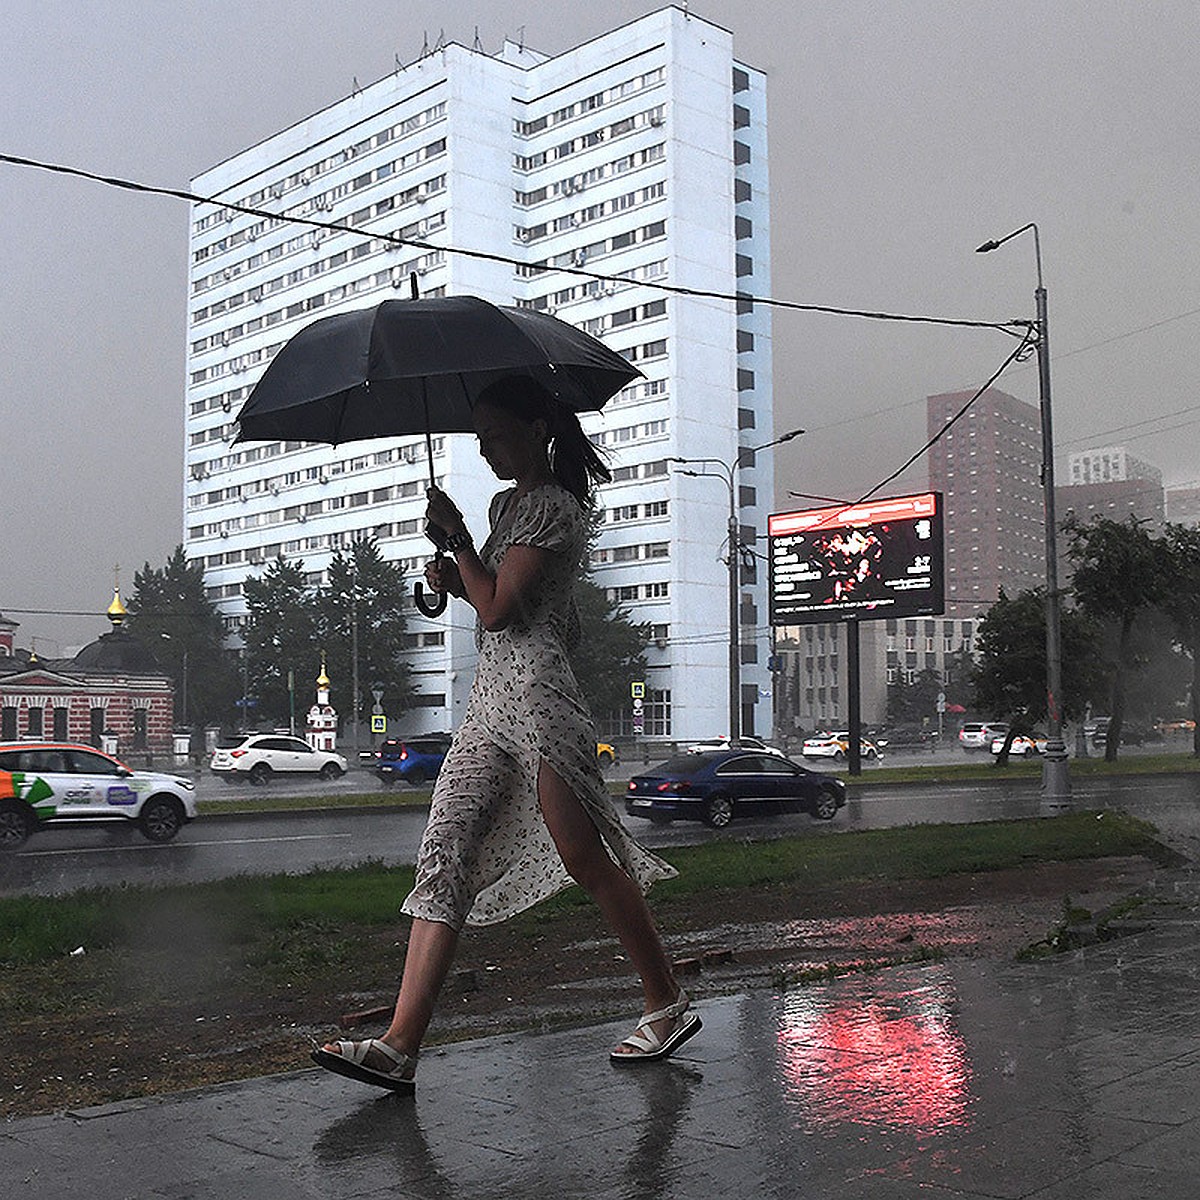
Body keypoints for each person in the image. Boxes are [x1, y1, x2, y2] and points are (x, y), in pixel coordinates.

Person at [313, 376, 700, 1093]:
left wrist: (461, 546)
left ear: (536, 429)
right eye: (478, 434)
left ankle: (666, 1002)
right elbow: (490, 597)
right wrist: (456, 569)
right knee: (445, 848)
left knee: (586, 859)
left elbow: (500, 610)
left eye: (493, 432)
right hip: (490, 707)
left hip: (541, 703)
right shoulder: (507, 505)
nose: (484, 446)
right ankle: (398, 1046)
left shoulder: (554, 507)